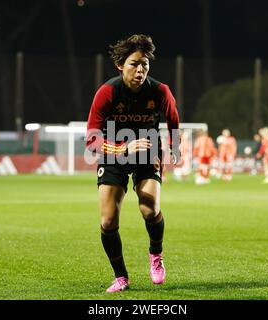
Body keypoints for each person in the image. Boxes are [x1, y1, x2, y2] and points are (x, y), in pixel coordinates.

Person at [85, 34, 180, 293]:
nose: (140, 70)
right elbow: (92, 141)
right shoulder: (107, 92)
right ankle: (121, 277)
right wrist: (123, 147)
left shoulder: (160, 91)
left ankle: (156, 256)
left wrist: (174, 147)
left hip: (147, 152)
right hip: (113, 153)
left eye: (145, 65)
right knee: (107, 222)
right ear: (120, 65)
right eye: (134, 64)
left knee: (149, 208)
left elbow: (173, 119)